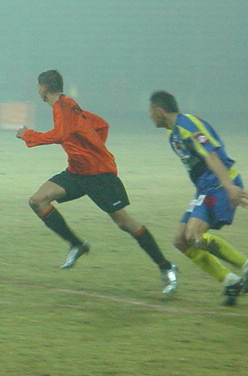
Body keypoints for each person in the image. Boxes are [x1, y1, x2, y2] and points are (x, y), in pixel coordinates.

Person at [17, 70, 176, 293]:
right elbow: (101, 125)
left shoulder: (64, 105)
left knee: (124, 222)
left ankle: (166, 267)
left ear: (43, 88)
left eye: (38, 86)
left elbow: (60, 135)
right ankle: (77, 245)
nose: (38, 90)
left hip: (99, 174)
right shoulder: (69, 106)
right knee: (38, 201)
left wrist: (28, 135)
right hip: (77, 172)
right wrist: (88, 148)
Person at [148, 90, 248, 306]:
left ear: (159, 111)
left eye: (150, 111)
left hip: (220, 185)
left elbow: (210, 154)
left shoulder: (187, 125)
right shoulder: (173, 133)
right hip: (205, 190)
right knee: (180, 241)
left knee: (193, 235)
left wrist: (229, 186)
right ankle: (230, 281)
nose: (149, 116)